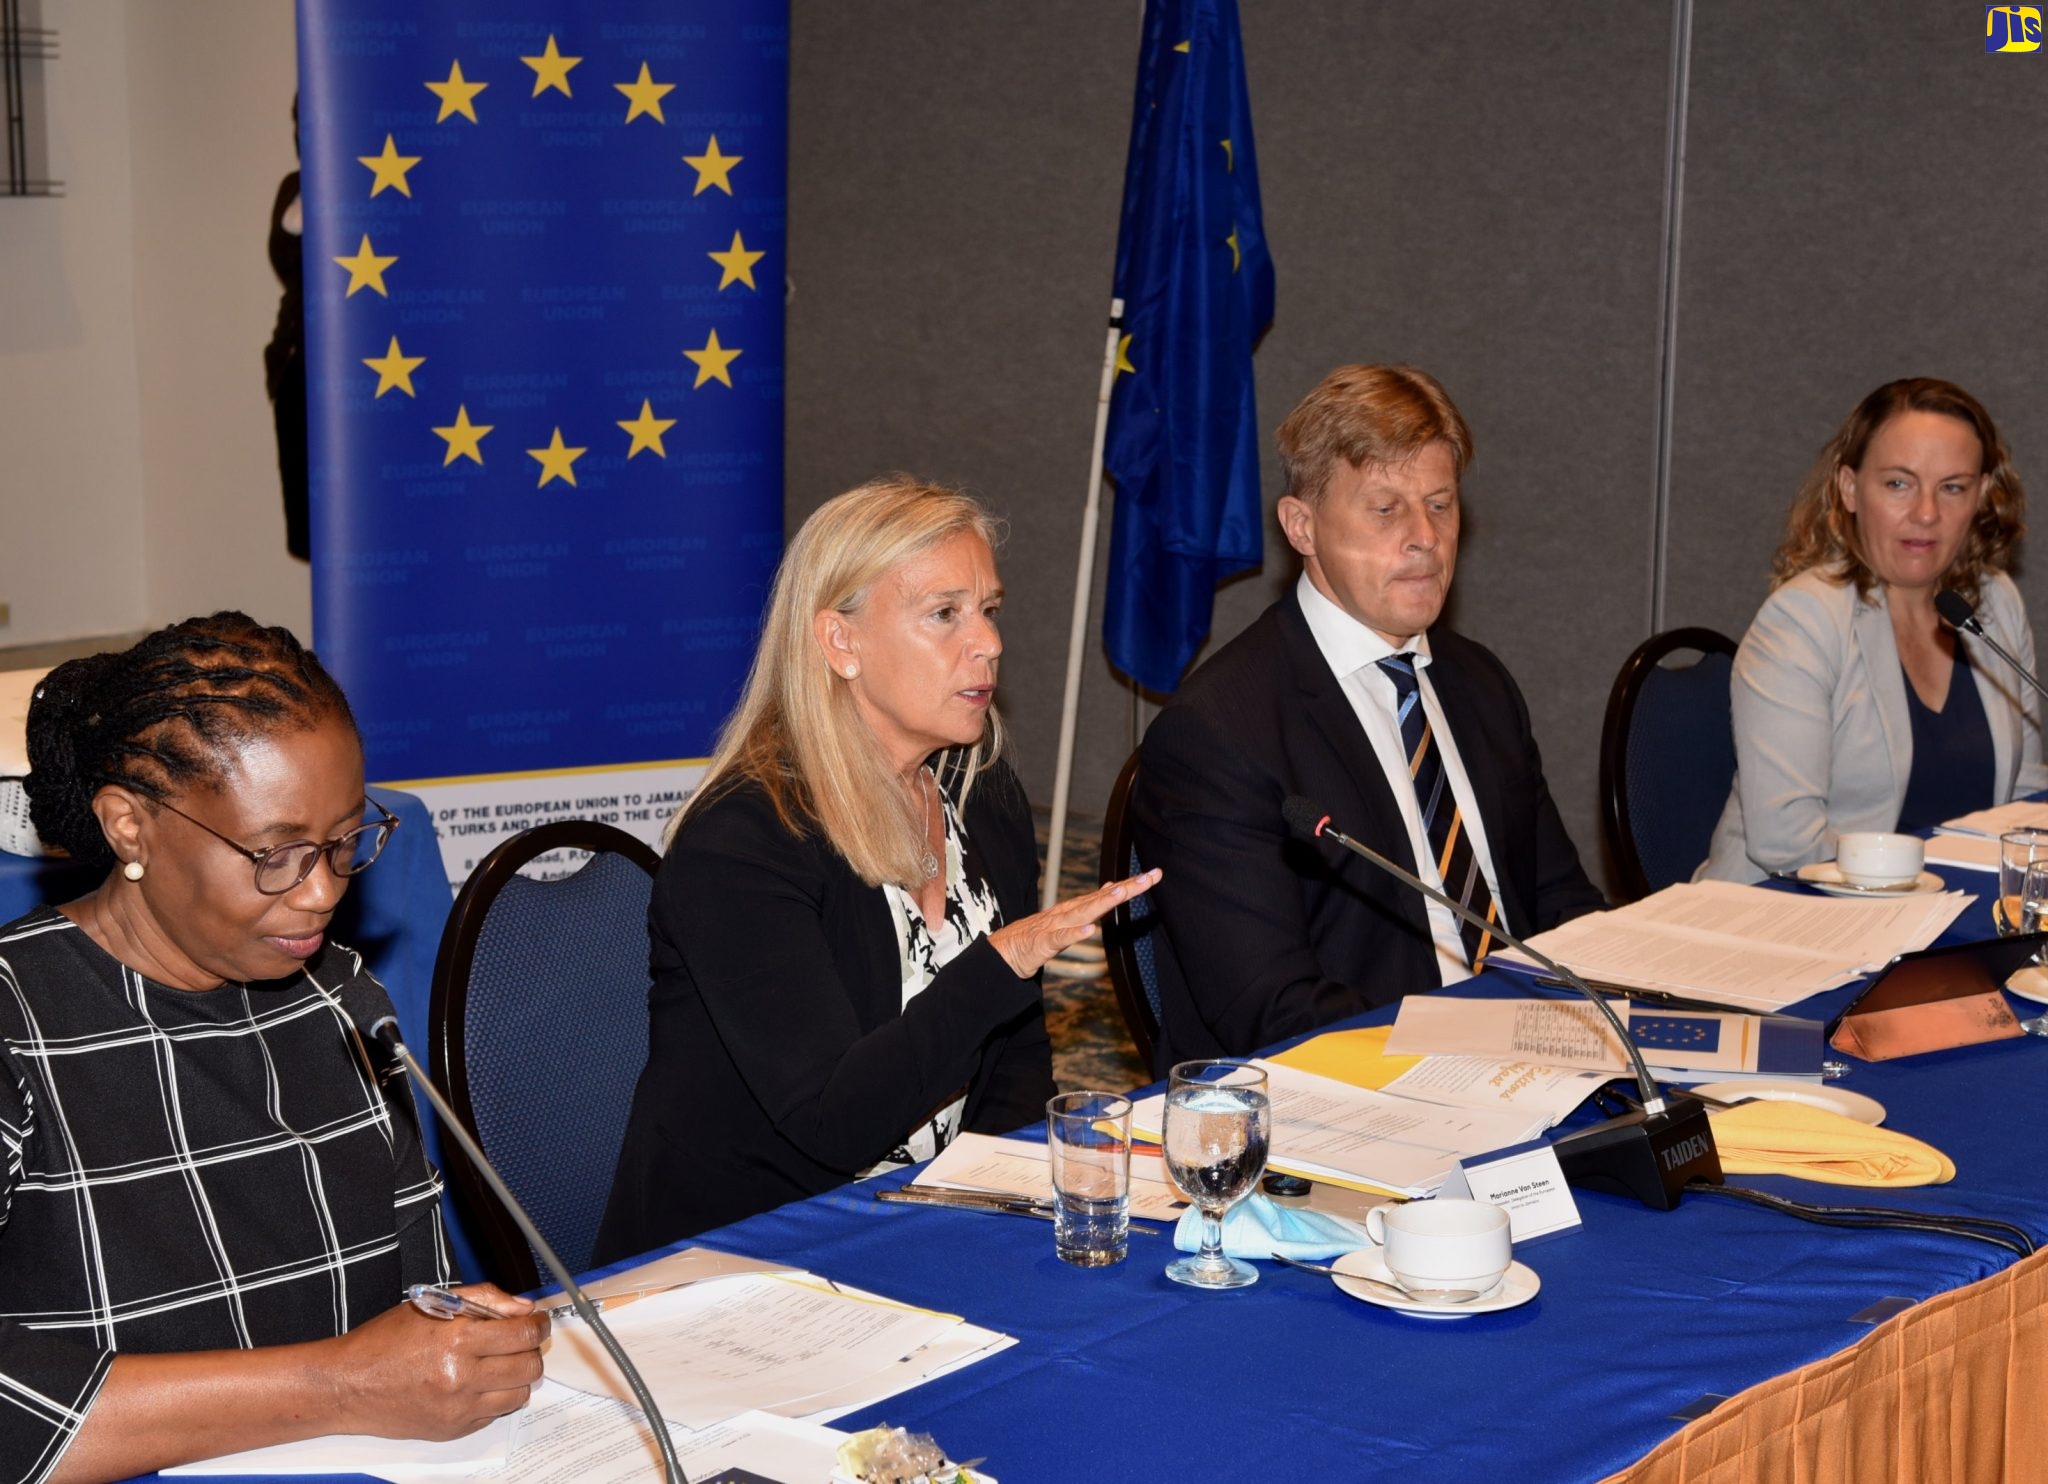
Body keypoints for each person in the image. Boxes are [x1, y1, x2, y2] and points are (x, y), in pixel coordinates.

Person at [5, 614, 546, 1484]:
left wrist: (458, 1343)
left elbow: (416, 1287)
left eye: (343, 842)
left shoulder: (339, 998)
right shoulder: (16, 1023)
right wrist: (337, 1386)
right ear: (128, 826)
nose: (322, 891)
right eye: (276, 854)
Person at [595, 476, 1158, 1257]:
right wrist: (999, 960)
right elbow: (834, 1121)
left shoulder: (978, 790)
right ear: (840, 642)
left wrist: (993, 1221)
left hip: (926, 1228)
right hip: (750, 1255)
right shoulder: (746, 839)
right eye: (944, 614)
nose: (989, 641)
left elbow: (1015, 1062)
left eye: (988, 609)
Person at [1131, 364, 1605, 1070]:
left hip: (1537, 1065)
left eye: (1440, 505)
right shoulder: (1219, 732)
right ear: (1302, 527)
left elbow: (1559, 905)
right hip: (1351, 1097)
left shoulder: (1478, 684)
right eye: (1385, 509)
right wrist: (1483, 1053)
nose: (1424, 537)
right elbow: (1274, 1012)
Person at [1701, 378, 2048, 882]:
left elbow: (2024, 795)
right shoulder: (1804, 618)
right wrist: (1932, 886)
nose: (1926, 513)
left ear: (1981, 497)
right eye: (1898, 484)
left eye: (1952, 487)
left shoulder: (1994, 604)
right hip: (1792, 916)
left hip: (1949, 922)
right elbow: (1786, 842)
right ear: (1849, 489)